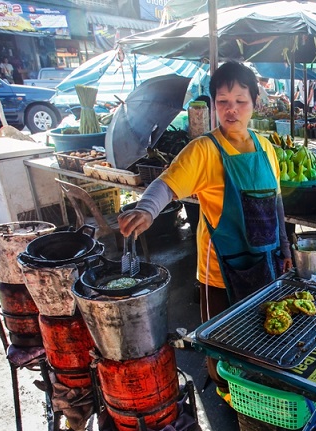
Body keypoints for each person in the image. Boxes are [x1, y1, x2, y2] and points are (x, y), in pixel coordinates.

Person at [118, 62, 292, 403]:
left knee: (258, 334)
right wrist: (146, 208)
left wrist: (285, 248)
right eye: (223, 101)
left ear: (255, 103)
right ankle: (231, 400)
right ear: (213, 106)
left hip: (264, 262)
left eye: (240, 100)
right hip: (219, 271)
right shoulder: (204, 150)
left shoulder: (266, 147)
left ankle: (254, 394)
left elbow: (276, 203)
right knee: (220, 345)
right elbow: (167, 184)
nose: (231, 109)